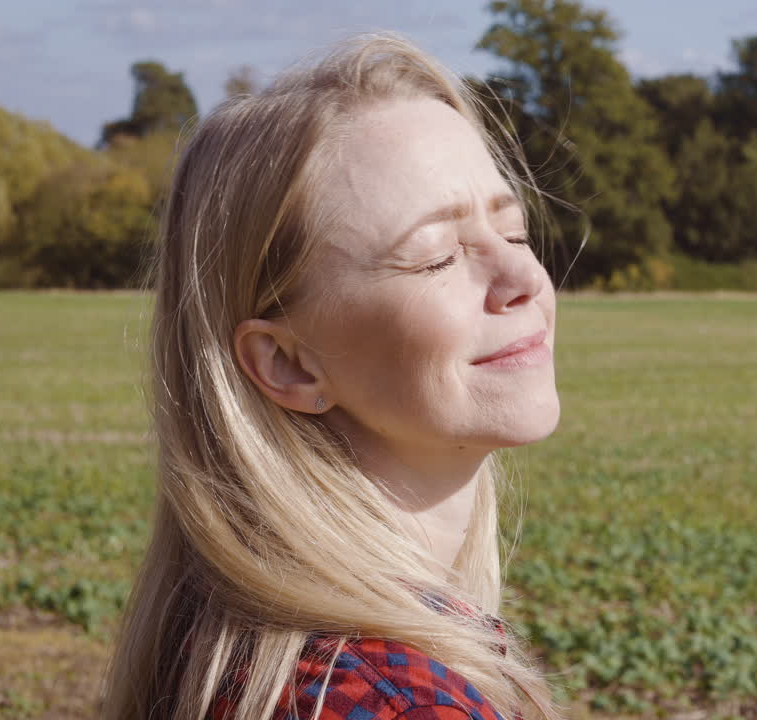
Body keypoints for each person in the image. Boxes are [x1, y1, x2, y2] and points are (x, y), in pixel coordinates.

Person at [102, 33, 563, 720]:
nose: (524, 278)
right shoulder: (387, 702)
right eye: (436, 256)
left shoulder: (227, 641)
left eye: (516, 232)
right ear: (287, 363)